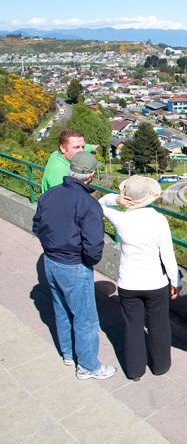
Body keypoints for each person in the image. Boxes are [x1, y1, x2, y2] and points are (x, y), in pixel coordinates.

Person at [32, 151, 116, 380]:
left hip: (51, 261)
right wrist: (86, 262)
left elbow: (37, 226)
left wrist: (51, 248)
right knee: (86, 318)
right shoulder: (88, 204)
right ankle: (88, 366)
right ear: (91, 175)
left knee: (61, 309)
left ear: (71, 170)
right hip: (74, 265)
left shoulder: (49, 195)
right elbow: (93, 245)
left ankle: (68, 354)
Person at [98, 175, 181, 381]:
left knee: (132, 327)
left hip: (129, 282)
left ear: (127, 197)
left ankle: (135, 371)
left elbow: (99, 204)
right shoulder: (159, 220)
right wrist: (175, 281)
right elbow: (167, 255)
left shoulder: (121, 218)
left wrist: (115, 200)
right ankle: (161, 365)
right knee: (159, 324)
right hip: (155, 282)